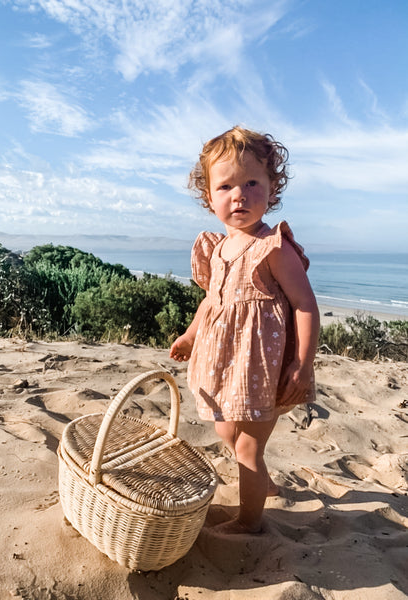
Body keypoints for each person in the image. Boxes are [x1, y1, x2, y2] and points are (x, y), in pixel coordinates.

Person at [169, 126, 319, 534]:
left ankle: (249, 522)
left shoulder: (274, 248)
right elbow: (212, 301)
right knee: (224, 428)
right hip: (225, 367)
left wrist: (302, 366)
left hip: (263, 370)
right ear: (210, 197)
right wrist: (189, 334)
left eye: (253, 182)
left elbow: (306, 306)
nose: (240, 194)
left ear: (273, 187)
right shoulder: (216, 247)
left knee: (249, 447)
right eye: (226, 186)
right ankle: (264, 481)